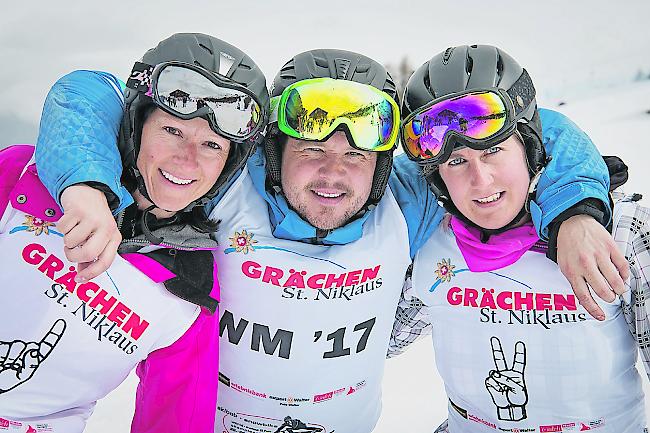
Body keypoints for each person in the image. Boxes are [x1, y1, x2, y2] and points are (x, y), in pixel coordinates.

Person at [33, 48, 619, 433]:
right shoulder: (228, 191)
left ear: (382, 165)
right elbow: (90, 91)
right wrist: (85, 186)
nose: (333, 173)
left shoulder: (401, 206)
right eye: (312, 151)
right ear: (272, 153)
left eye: (355, 155)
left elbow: (534, 126)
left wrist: (577, 213)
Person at [0, 32, 269, 433]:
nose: (187, 159)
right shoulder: (24, 175)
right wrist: (85, 188)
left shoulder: (191, 287)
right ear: (138, 125)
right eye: (173, 131)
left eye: (212, 145)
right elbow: (86, 91)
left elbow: (175, 419)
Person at [394, 44, 649, 433]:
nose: (480, 182)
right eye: (457, 162)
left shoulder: (621, 233)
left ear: (530, 146)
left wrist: (578, 213)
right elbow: (374, 339)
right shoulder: (432, 240)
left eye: (493, 151)